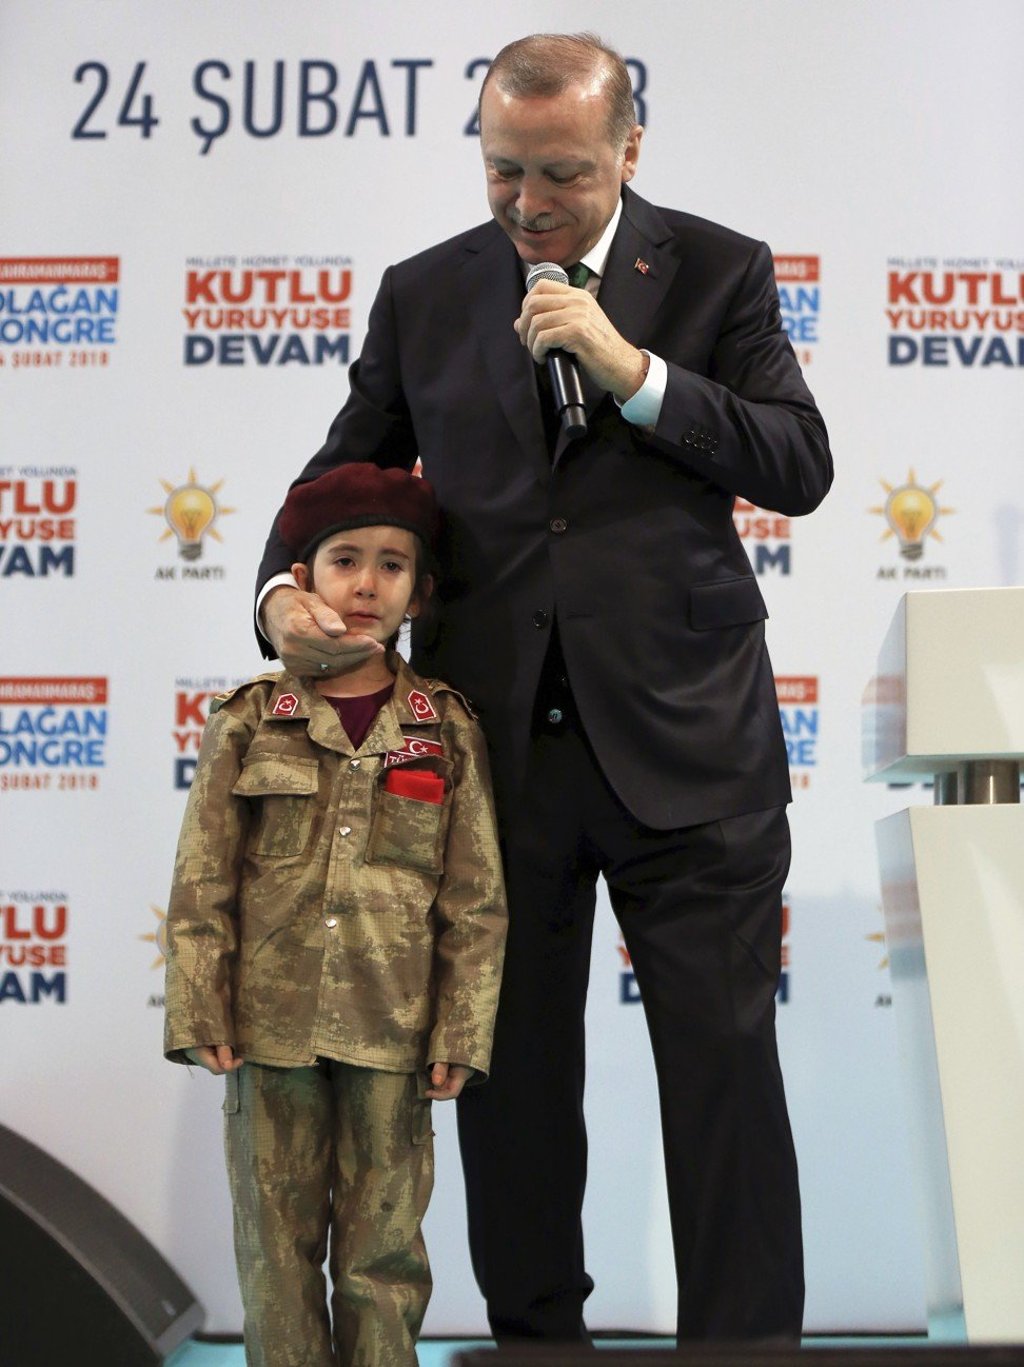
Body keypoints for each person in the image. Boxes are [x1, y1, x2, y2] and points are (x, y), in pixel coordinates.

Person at [255, 31, 833, 1345]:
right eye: (504, 170)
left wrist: (635, 375)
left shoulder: (717, 270)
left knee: (725, 1070)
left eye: (561, 174)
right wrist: (284, 588)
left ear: (629, 151)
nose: (528, 203)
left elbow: (799, 461)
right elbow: (339, 473)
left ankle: (744, 1344)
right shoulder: (424, 293)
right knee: (511, 1082)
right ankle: (536, 1338)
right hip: (492, 756)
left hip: (692, 749)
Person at [165, 462, 507, 1367]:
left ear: (421, 594)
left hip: (392, 1034)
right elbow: (204, 883)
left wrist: (461, 1029)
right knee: (275, 1255)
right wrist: (200, 1005)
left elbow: (475, 901)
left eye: (393, 565)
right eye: (345, 560)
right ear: (300, 581)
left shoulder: (446, 727)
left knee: (384, 1258)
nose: (366, 583)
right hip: (268, 1031)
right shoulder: (248, 721)